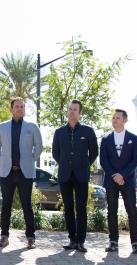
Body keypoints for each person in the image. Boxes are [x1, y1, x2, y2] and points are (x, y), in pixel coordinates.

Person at [0, 97, 43, 249]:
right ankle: (4, 236)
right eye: (17, 106)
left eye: (22, 106)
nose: (19, 108)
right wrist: (5, 160)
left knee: (26, 204)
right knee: (6, 204)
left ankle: (30, 237)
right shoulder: (1, 127)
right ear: (11, 109)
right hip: (7, 172)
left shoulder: (32, 127)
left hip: (25, 172)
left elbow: (39, 146)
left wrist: (29, 160)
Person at [52, 100, 98, 253]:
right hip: (65, 175)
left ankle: (81, 241)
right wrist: (66, 163)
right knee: (68, 208)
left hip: (81, 175)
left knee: (81, 208)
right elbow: (55, 153)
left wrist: (85, 164)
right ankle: (72, 239)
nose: (71, 112)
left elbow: (94, 152)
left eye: (75, 110)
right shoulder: (59, 132)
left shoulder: (88, 131)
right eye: (70, 109)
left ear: (80, 113)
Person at [100, 109, 137, 254]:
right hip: (111, 181)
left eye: (117, 118)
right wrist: (114, 176)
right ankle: (113, 242)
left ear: (125, 120)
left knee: (132, 211)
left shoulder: (133, 138)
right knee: (112, 211)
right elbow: (103, 160)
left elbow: (135, 160)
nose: (114, 120)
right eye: (113, 118)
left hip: (127, 181)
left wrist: (122, 175)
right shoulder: (106, 139)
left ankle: (135, 243)